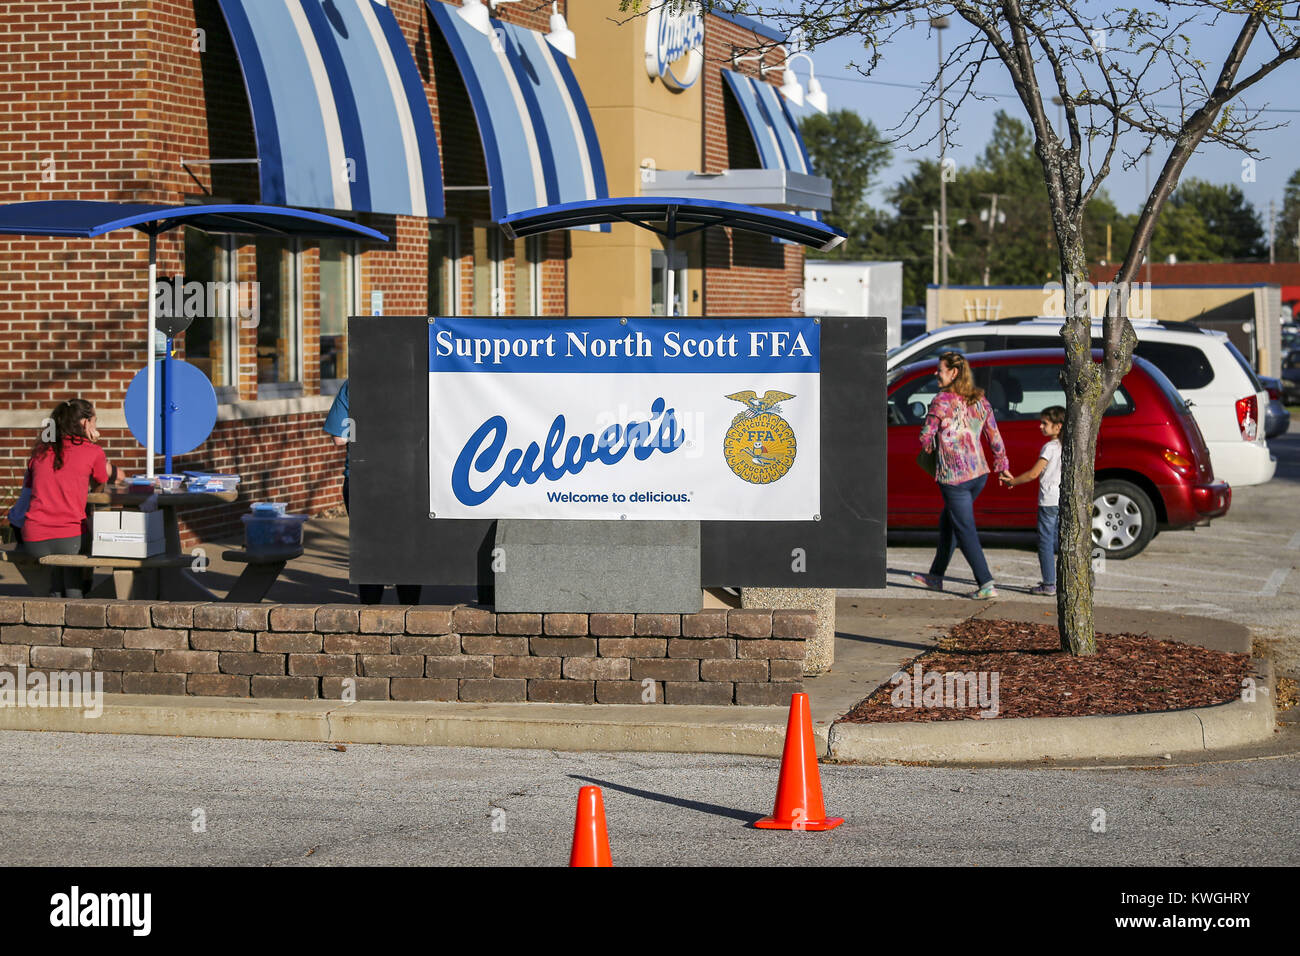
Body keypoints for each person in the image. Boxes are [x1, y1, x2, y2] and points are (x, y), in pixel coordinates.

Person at [909, 351, 1011, 600]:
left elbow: (925, 435)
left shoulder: (941, 400)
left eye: (940, 370)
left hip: (954, 478)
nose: (936, 373)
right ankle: (935, 576)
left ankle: (986, 583)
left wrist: (930, 441)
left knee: (964, 529)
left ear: (953, 373)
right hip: (979, 474)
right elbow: (993, 435)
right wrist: (1002, 464)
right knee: (949, 522)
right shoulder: (979, 400)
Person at [323, 380, 420, 605]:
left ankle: (368, 615)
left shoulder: (354, 384)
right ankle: (412, 612)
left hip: (362, 479)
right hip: (407, 479)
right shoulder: (416, 379)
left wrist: (366, 429)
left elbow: (339, 438)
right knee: (407, 550)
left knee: (369, 550)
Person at [21, 399, 121, 598]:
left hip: (33, 537)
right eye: (95, 420)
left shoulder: (41, 450)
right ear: (85, 423)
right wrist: (92, 447)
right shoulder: (93, 451)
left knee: (60, 563)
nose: (96, 425)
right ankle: (78, 599)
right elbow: (100, 485)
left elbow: (29, 485)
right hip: (70, 538)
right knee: (83, 546)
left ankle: (56, 603)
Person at [1000, 405, 1065, 596]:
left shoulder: (1050, 447)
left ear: (1058, 426)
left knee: (1045, 542)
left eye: (1045, 423)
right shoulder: (1068, 445)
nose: (1040, 426)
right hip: (1063, 499)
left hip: (1048, 501)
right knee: (1061, 540)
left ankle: (1049, 583)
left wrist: (1012, 481)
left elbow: (1034, 473)